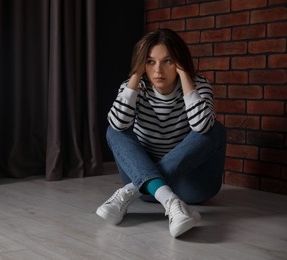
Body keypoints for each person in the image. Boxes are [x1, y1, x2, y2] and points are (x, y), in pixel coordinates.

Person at [96, 28, 226, 238]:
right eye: (149, 61)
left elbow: (202, 127)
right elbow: (119, 125)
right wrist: (136, 76)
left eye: (167, 61)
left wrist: (185, 75)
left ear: (179, 62)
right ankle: (169, 200)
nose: (158, 70)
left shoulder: (199, 85)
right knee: (114, 129)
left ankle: (131, 190)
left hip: (190, 188)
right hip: (149, 192)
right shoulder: (132, 87)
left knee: (215, 130)